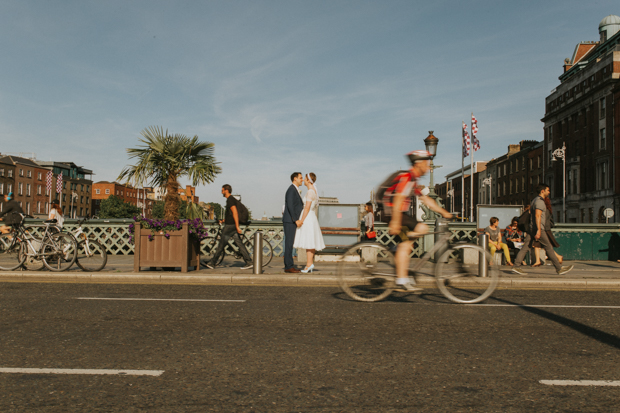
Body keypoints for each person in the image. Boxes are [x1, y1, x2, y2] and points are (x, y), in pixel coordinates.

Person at [384, 150, 452, 292]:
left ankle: (397, 249)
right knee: (412, 237)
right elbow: (397, 199)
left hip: (399, 212)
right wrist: (395, 222)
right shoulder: (408, 177)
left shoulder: (413, 180)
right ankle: (402, 280)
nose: (428, 168)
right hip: (392, 211)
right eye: (426, 164)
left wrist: (444, 212)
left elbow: (426, 199)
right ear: (419, 163)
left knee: (417, 233)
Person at [512, 184, 573, 275]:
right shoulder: (540, 201)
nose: (549, 192)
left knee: (526, 247)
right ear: (542, 191)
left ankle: (516, 266)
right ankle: (559, 269)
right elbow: (537, 216)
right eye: (548, 190)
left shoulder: (534, 200)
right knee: (548, 247)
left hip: (532, 228)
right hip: (538, 228)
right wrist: (539, 230)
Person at [205, 184, 253, 270]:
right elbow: (230, 215)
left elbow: (235, 213)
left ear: (226, 190)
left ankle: (212, 262)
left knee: (221, 244)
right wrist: (223, 220)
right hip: (231, 224)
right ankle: (249, 262)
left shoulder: (230, 200)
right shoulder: (231, 200)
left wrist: (237, 227)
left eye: (222, 190)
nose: (221, 192)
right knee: (239, 243)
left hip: (230, 226)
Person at [293, 173, 326, 273]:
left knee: (309, 242)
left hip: (307, 217)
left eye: (305, 179)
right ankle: (309, 264)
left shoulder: (310, 192)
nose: (303, 180)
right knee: (310, 242)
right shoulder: (313, 191)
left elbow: (306, 208)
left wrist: (301, 220)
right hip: (311, 217)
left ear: (308, 180)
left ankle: (309, 264)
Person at [531, 196, 563, 267]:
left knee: (545, 246)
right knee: (538, 245)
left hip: (543, 229)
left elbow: (541, 218)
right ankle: (538, 261)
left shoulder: (543, 209)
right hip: (543, 229)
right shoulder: (547, 209)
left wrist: (539, 229)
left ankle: (557, 261)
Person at [282, 172, 304, 273]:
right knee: (289, 244)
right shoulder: (291, 190)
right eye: (300, 178)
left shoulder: (293, 189)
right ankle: (288, 266)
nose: (302, 179)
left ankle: (289, 265)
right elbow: (290, 206)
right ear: (295, 179)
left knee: (290, 243)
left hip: (290, 220)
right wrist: (295, 219)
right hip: (290, 221)